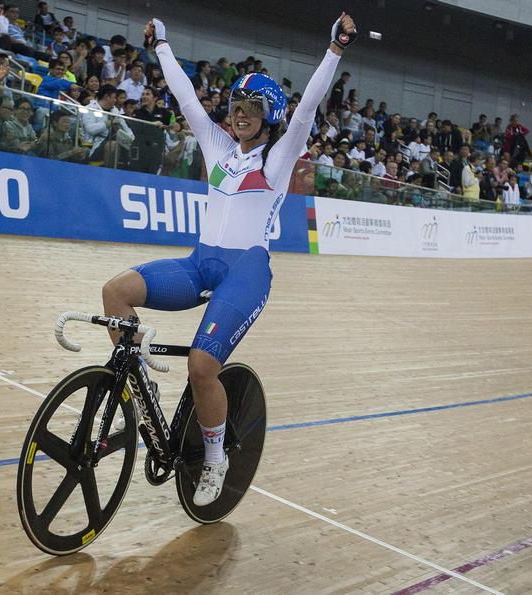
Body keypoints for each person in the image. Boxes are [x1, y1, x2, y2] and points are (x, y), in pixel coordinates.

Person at [102, 14, 356, 507]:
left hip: (246, 273)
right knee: (116, 293)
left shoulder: (277, 158)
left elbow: (306, 112)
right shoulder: (219, 146)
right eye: (236, 104)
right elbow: (187, 101)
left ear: (270, 115)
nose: (239, 113)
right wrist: (162, 48)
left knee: (202, 366)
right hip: (201, 263)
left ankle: (216, 460)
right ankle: (138, 390)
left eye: (251, 107)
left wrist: (334, 51)